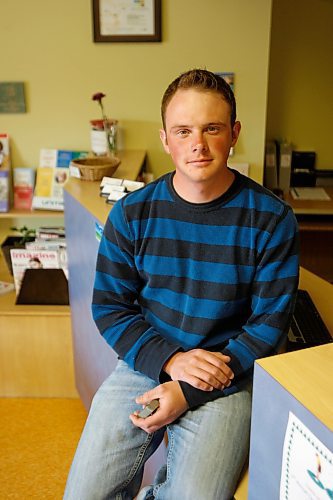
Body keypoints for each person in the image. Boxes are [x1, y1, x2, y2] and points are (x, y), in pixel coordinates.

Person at [64, 69, 299, 500]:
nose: (198, 143)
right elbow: (111, 308)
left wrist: (188, 390)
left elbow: (270, 324)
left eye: (213, 128)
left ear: (234, 134)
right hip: (146, 360)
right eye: (184, 130)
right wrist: (171, 361)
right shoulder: (132, 214)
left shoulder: (271, 218)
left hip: (228, 372)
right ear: (166, 138)